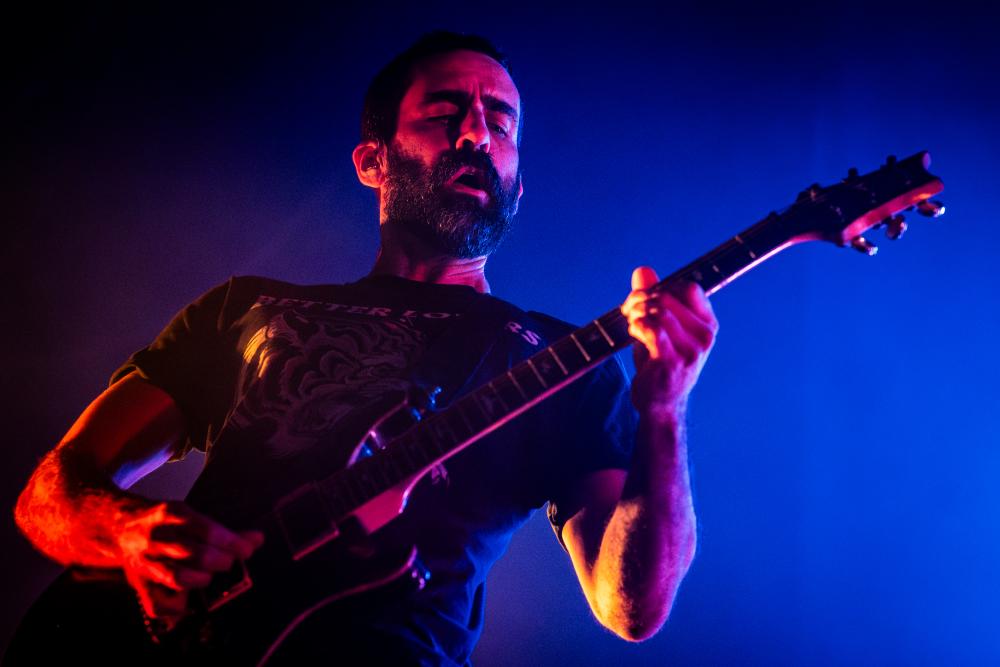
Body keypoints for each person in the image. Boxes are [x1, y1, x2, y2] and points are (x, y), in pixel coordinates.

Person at [13, 31, 717, 665]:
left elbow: (631, 608)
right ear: (372, 161)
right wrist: (128, 531)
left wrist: (664, 409)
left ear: (518, 185)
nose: (476, 132)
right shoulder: (247, 309)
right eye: (444, 111)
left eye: (500, 122)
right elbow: (48, 494)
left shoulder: (558, 360)